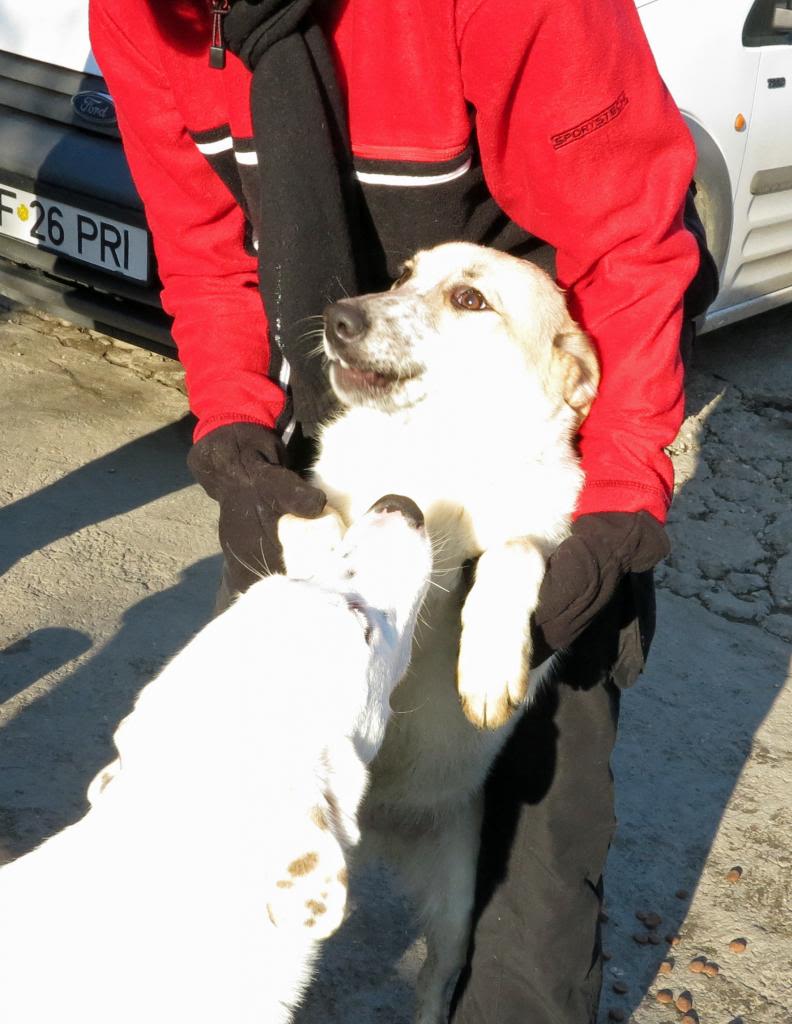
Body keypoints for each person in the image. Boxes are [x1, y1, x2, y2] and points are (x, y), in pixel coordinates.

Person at [89, 2, 717, 1021]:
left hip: (524, 425)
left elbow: (632, 245)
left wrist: (615, 515)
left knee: (527, 910)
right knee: (207, 871)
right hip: (347, 439)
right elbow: (207, 254)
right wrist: (237, 438)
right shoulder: (138, 15)